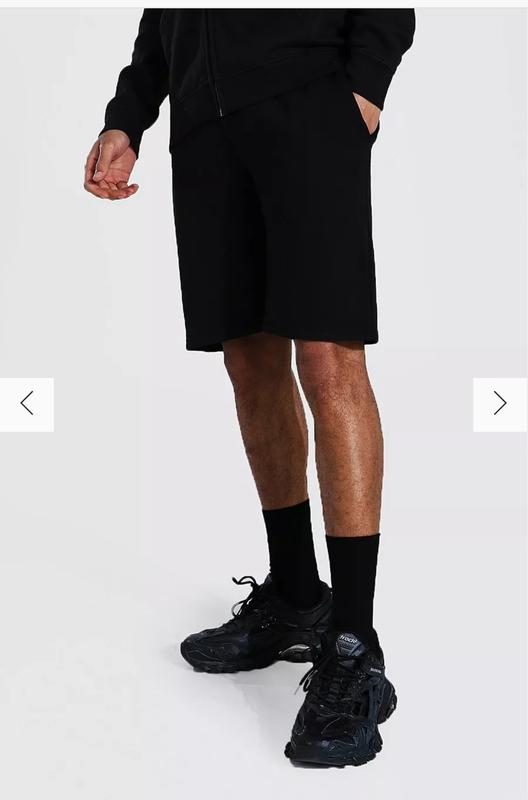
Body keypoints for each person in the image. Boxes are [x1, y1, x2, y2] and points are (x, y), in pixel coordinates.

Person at [84, 9, 415, 768]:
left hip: (309, 100)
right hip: (205, 127)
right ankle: (296, 595)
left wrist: (362, 91)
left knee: (328, 357)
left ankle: (353, 644)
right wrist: (128, 116)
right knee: (250, 358)